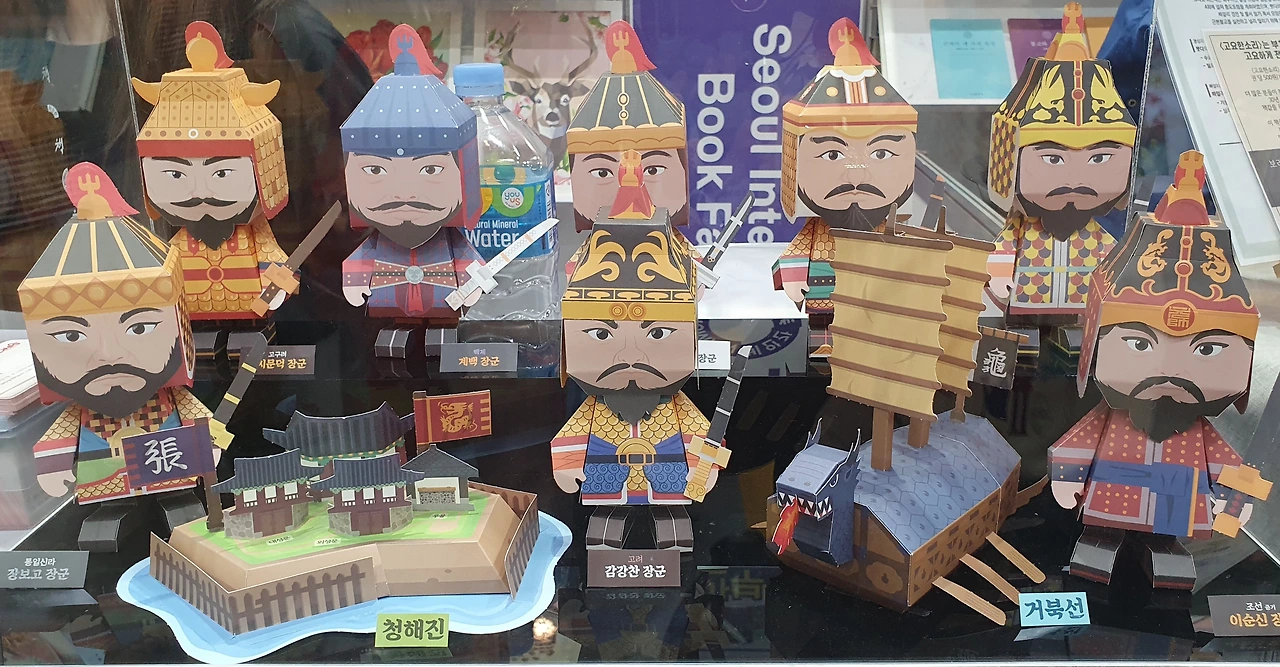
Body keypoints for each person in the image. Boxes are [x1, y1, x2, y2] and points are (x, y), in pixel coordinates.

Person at [1050, 150, 1268, 589]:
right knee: (1098, 546)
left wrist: (1238, 500)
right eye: (1138, 343)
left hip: (1175, 498)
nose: (1170, 370)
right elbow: (1077, 442)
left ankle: (1163, 558)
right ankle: (1098, 547)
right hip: (1115, 491)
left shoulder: (1198, 431)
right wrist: (1067, 476)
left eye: (1208, 349)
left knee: (1168, 557)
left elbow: (1230, 467)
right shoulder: (1114, 417)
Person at [22, 163, 221, 551]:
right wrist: (52, 464)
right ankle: (113, 511)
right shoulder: (84, 406)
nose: (109, 353)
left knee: (180, 501)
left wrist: (211, 442)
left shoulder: (166, 393)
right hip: (109, 473)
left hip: (169, 462)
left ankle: (178, 503)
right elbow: (61, 432)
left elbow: (195, 412)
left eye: (140, 328)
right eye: (71, 335)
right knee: (108, 510)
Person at [552, 151, 723, 552]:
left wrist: (707, 464)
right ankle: (605, 542)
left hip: (666, 472)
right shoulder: (596, 404)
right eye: (601, 334)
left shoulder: (674, 403)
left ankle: (673, 543)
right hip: (609, 471)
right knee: (607, 515)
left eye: (658, 332)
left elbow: (699, 433)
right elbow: (571, 434)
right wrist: (566, 463)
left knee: (671, 516)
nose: (629, 353)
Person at [339, 24, 484, 358]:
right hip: (392, 300)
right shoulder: (380, 241)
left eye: (430, 169)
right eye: (375, 170)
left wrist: (474, 281)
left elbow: (467, 256)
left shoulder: (446, 238)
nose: (403, 191)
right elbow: (361, 259)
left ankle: (439, 352)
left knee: (441, 347)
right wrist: (356, 280)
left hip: (444, 301)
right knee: (391, 349)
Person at [986, 3, 1136, 320]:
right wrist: (998, 280)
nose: (1076, 178)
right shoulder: (1022, 229)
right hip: (1025, 308)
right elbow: (1002, 251)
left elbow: (1114, 264)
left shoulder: (1097, 237)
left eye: (1100, 158)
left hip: (1080, 312)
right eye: (1053, 158)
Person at [773, 18, 917, 327]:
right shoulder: (818, 230)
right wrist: (794, 277)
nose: (855, 176)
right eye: (832, 155)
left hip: (875, 305)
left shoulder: (886, 229)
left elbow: (910, 263)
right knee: (822, 338)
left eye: (880, 154)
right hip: (824, 296)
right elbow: (795, 254)